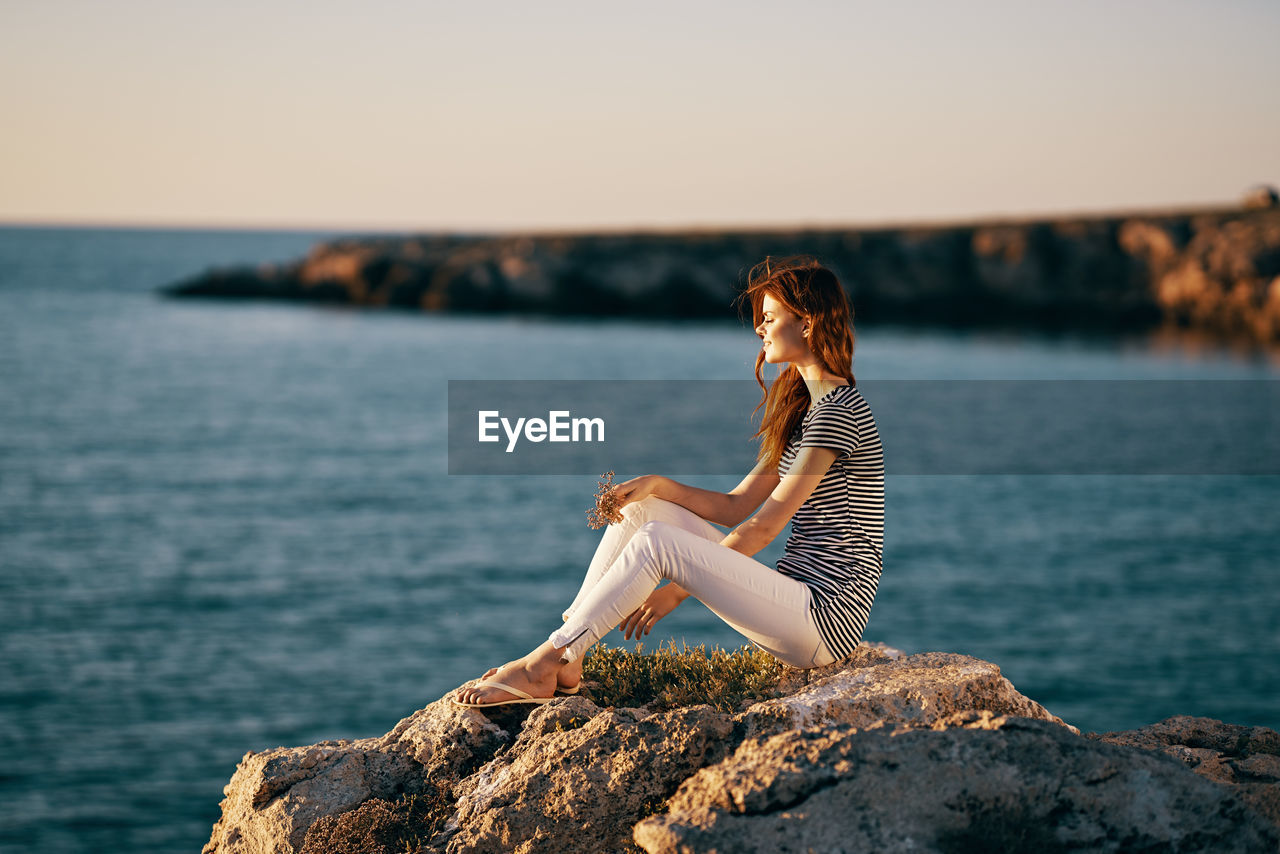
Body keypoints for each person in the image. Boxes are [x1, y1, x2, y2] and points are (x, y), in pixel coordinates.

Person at [453, 255, 885, 708]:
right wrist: (658, 485)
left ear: (808, 324)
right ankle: (570, 658)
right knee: (645, 511)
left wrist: (674, 592)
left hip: (823, 622)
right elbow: (737, 506)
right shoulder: (806, 411)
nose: (759, 329)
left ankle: (543, 663)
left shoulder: (838, 414)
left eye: (771, 318)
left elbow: (763, 528)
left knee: (659, 542)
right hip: (797, 606)